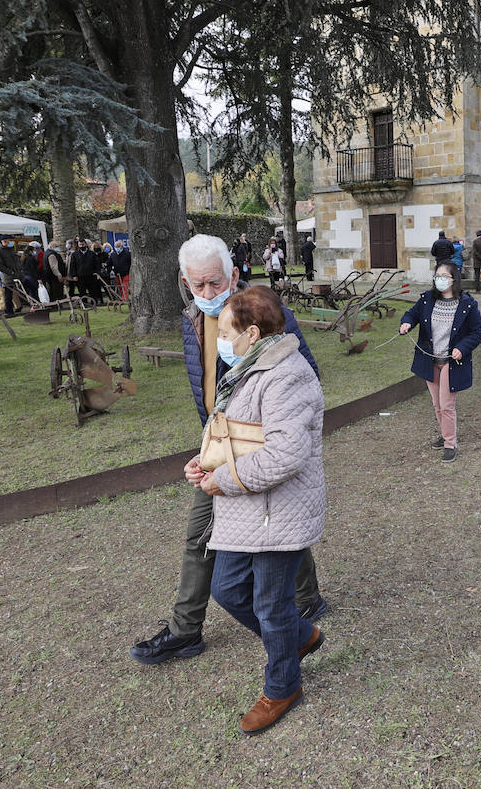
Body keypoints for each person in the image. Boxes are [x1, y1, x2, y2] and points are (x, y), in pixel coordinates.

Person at [130, 235, 327, 669]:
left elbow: (303, 379)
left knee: (268, 528)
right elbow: (205, 388)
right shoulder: (192, 319)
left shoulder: (265, 312)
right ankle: (191, 629)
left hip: (258, 453)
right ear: (184, 282)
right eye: (196, 285)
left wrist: (264, 445)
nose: (205, 294)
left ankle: (298, 606)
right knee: (234, 532)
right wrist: (210, 446)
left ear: (233, 275)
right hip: (218, 448)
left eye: (213, 283)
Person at [182, 285, 326, 735]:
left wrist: (221, 480)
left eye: (226, 332)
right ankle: (301, 637)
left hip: (276, 511)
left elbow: (284, 455)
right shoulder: (247, 368)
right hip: (250, 508)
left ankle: (283, 686)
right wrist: (205, 460)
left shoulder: (288, 374)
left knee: (271, 603)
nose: (219, 340)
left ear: (252, 332)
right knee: (227, 589)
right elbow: (236, 432)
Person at [399, 261, 481, 462]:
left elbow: (477, 332)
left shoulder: (467, 304)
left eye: (444, 276)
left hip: (451, 362)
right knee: (437, 404)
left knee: (446, 404)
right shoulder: (427, 299)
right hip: (430, 359)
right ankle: (446, 433)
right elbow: (412, 313)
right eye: (437, 276)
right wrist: (407, 323)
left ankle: (450, 443)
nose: (439, 279)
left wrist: (462, 348)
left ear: (454, 280)